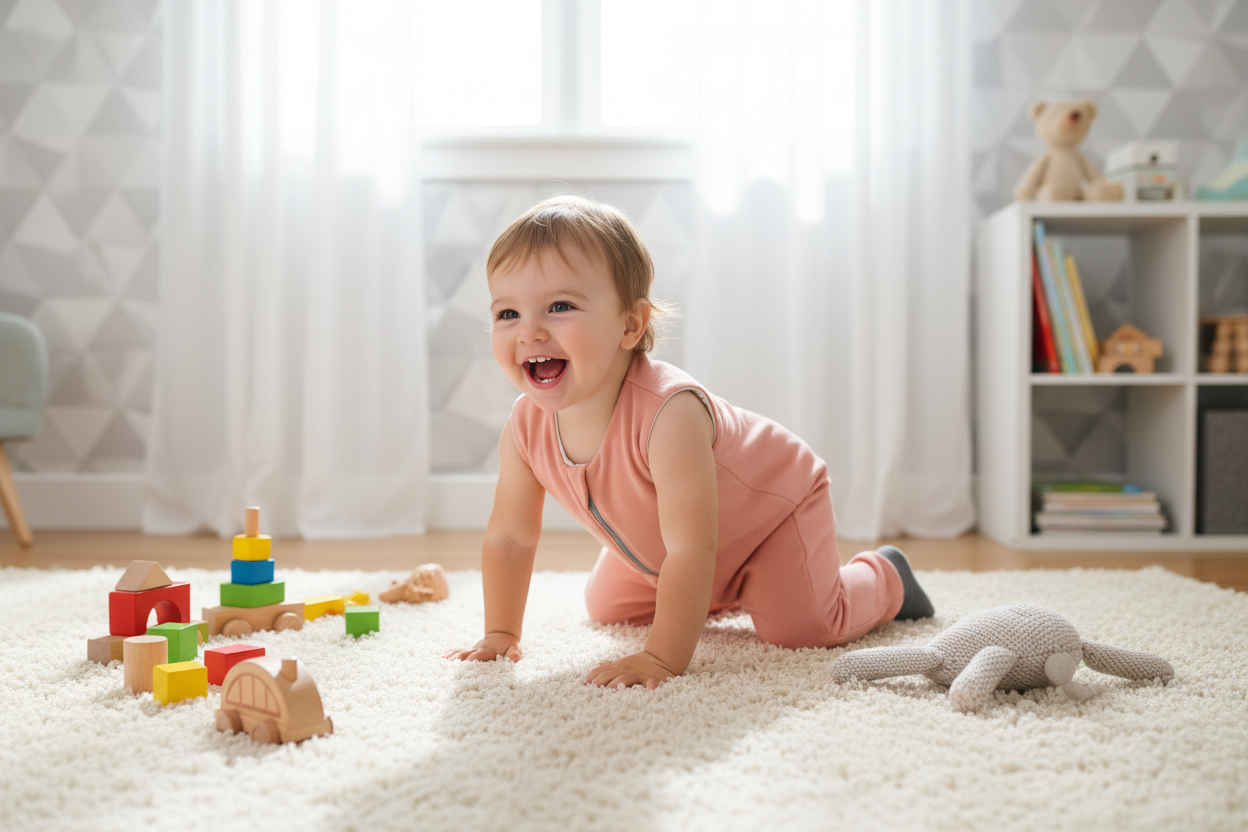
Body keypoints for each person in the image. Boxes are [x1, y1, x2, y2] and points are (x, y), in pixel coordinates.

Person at [445, 194, 933, 689]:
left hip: (772, 517)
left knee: (801, 629)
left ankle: (886, 577)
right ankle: (724, 590)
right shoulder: (525, 428)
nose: (529, 332)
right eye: (507, 314)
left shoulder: (669, 413)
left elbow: (692, 547)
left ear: (630, 325)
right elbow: (511, 536)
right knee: (607, 606)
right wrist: (500, 631)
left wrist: (661, 656)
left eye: (560, 306)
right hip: (678, 542)